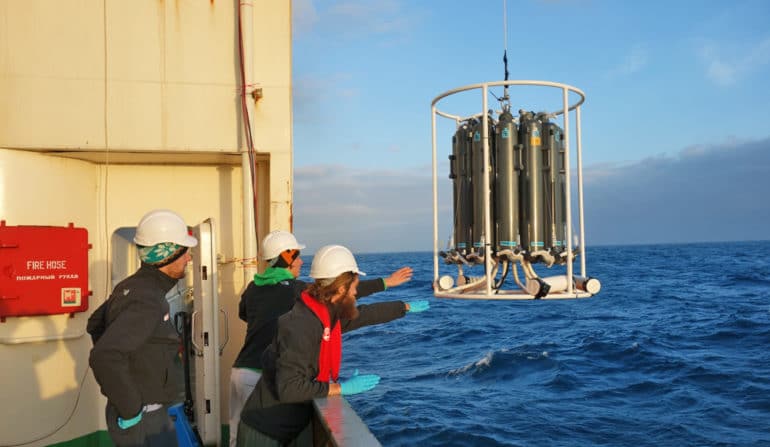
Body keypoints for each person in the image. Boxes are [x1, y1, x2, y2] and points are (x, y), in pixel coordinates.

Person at [228, 231, 414, 447]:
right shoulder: (300, 303)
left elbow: (243, 314)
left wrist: (401, 308)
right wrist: (340, 388)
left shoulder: (256, 288)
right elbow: (290, 388)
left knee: (233, 438)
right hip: (265, 408)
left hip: (241, 370)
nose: (299, 262)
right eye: (296, 256)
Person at [87, 209, 198, 447]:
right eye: (184, 251)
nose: (189, 257)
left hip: (146, 412)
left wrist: (133, 367)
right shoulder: (147, 298)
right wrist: (132, 411)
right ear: (166, 253)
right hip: (146, 418)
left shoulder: (132, 286)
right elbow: (104, 355)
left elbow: (95, 323)